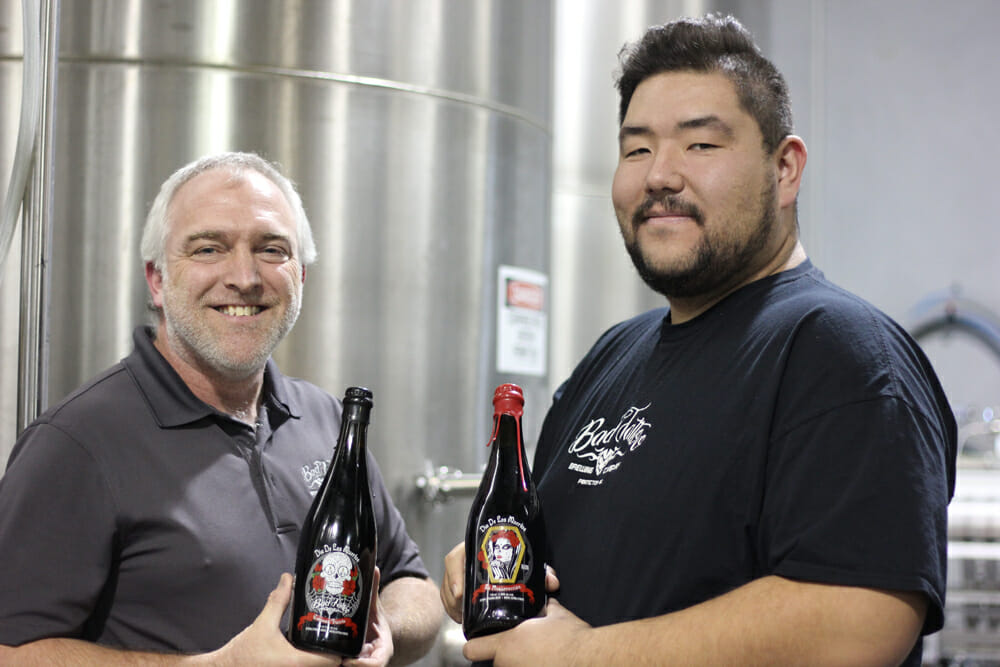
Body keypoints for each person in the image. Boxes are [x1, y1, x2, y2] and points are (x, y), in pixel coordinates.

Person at [441, 14, 956, 667]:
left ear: (785, 169)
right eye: (636, 149)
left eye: (700, 146)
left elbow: (857, 618)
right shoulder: (611, 357)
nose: (659, 174)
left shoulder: (840, 350)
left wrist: (586, 654)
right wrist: (500, 562)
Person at [0, 152, 442, 665]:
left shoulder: (325, 421)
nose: (244, 277)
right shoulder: (78, 442)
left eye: (271, 249)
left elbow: (413, 584)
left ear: (300, 275)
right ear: (158, 280)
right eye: (209, 248)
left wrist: (381, 626)